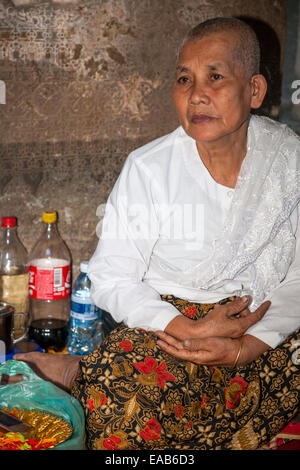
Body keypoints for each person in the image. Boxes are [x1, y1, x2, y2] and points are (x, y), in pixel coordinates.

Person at [15, 17, 299, 450]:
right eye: (184, 79)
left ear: (255, 90)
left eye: (216, 77)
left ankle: (79, 374)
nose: (196, 94)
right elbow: (112, 276)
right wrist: (186, 328)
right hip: (169, 331)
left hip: (264, 327)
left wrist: (246, 347)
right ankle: (87, 373)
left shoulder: (289, 162)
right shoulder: (149, 168)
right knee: (120, 387)